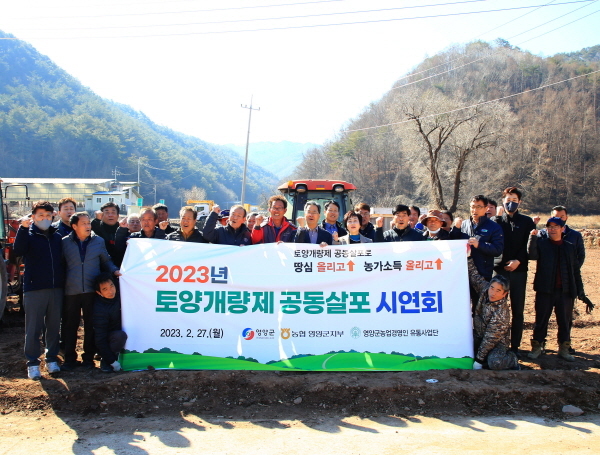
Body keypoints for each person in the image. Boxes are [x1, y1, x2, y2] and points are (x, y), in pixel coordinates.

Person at [62, 212, 121, 370]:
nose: (88, 226)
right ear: (74, 226)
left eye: (89, 223)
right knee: (70, 326)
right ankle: (69, 359)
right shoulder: (64, 243)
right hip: (71, 291)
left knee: (90, 326)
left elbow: (106, 260)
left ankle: (88, 358)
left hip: (91, 291)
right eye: (84, 223)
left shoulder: (98, 241)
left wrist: (115, 271)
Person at [13, 201, 64, 379]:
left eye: (48, 216)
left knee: (53, 326)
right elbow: (18, 250)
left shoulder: (57, 237)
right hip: (34, 288)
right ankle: (33, 362)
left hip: (56, 288)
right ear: (33, 216)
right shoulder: (28, 234)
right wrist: (22, 228)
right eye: (41, 215)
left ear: (53, 217)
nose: (44, 219)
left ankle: (51, 359)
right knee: (33, 327)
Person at [527, 217, 585, 362]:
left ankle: (564, 349)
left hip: (565, 292)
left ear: (562, 229)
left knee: (564, 321)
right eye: (549, 227)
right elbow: (531, 255)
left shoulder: (570, 246)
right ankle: (537, 347)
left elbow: (575, 270)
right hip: (545, 290)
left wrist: (579, 290)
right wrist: (532, 238)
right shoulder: (541, 244)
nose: (552, 229)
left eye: (555, 226)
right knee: (541, 320)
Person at [492, 187, 537, 354]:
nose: (511, 203)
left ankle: (516, 346)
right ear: (503, 201)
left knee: (518, 309)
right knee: (497, 309)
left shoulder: (527, 222)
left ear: (520, 202)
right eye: (508, 199)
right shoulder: (496, 222)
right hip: (499, 271)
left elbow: (529, 246)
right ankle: (497, 344)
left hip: (519, 271)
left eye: (514, 200)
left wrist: (518, 261)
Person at [467, 257, 519, 370]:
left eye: (498, 291)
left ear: (504, 294)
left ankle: (512, 359)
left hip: (496, 344)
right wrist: (469, 257)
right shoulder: (485, 290)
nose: (493, 293)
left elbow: (490, 339)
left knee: (495, 363)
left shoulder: (501, 312)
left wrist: (479, 360)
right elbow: (474, 276)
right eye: (492, 288)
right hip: (479, 336)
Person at [459, 195, 504, 281]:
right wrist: (456, 229)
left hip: (483, 273)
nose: (474, 210)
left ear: (486, 208)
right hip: (464, 272)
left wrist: (479, 245)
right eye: (472, 207)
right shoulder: (464, 224)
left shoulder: (494, 227)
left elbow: (498, 249)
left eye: (479, 207)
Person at [93, 273, 127, 373]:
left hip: (119, 331)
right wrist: (111, 361)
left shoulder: (121, 296)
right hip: (107, 340)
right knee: (119, 336)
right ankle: (106, 361)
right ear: (99, 293)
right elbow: (100, 339)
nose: (110, 291)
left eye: (111, 286)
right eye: (105, 289)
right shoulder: (99, 309)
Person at [91, 202, 122, 266]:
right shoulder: (94, 227)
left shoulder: (123, 229)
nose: (110, 215)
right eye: (107, 212)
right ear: (101, 215)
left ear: (118, 215)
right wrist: (97, 220)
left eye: (113, 212)